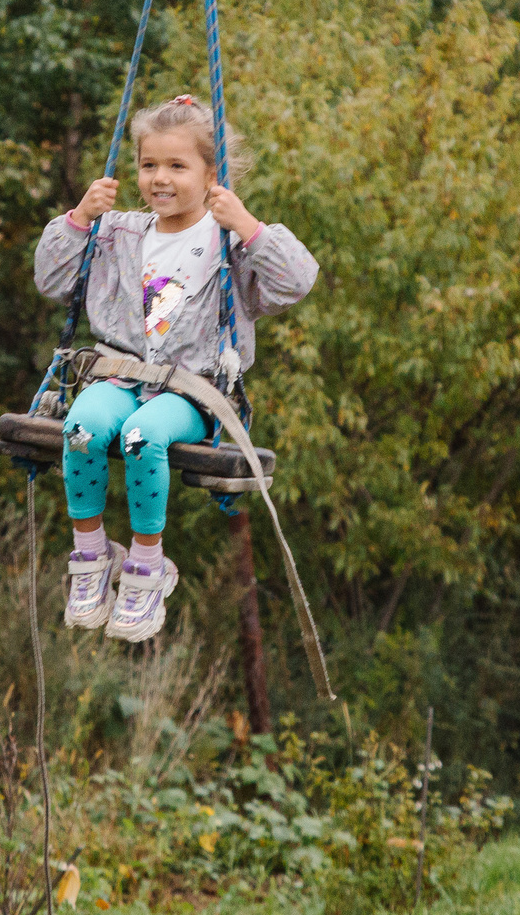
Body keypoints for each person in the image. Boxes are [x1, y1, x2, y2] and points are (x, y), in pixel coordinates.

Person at [31, 95, 318, 642]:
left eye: (177, 166)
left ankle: (147, 566)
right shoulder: (115, 233)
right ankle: (91, 556)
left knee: (142, 436)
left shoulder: (230, 244)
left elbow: (297, 281)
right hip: (120, 378)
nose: (159, 178)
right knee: (81, 426)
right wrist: (79, 219)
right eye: (148, 165)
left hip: (192, 393)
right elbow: (51, 279)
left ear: (212, 175)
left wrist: (248, 225)